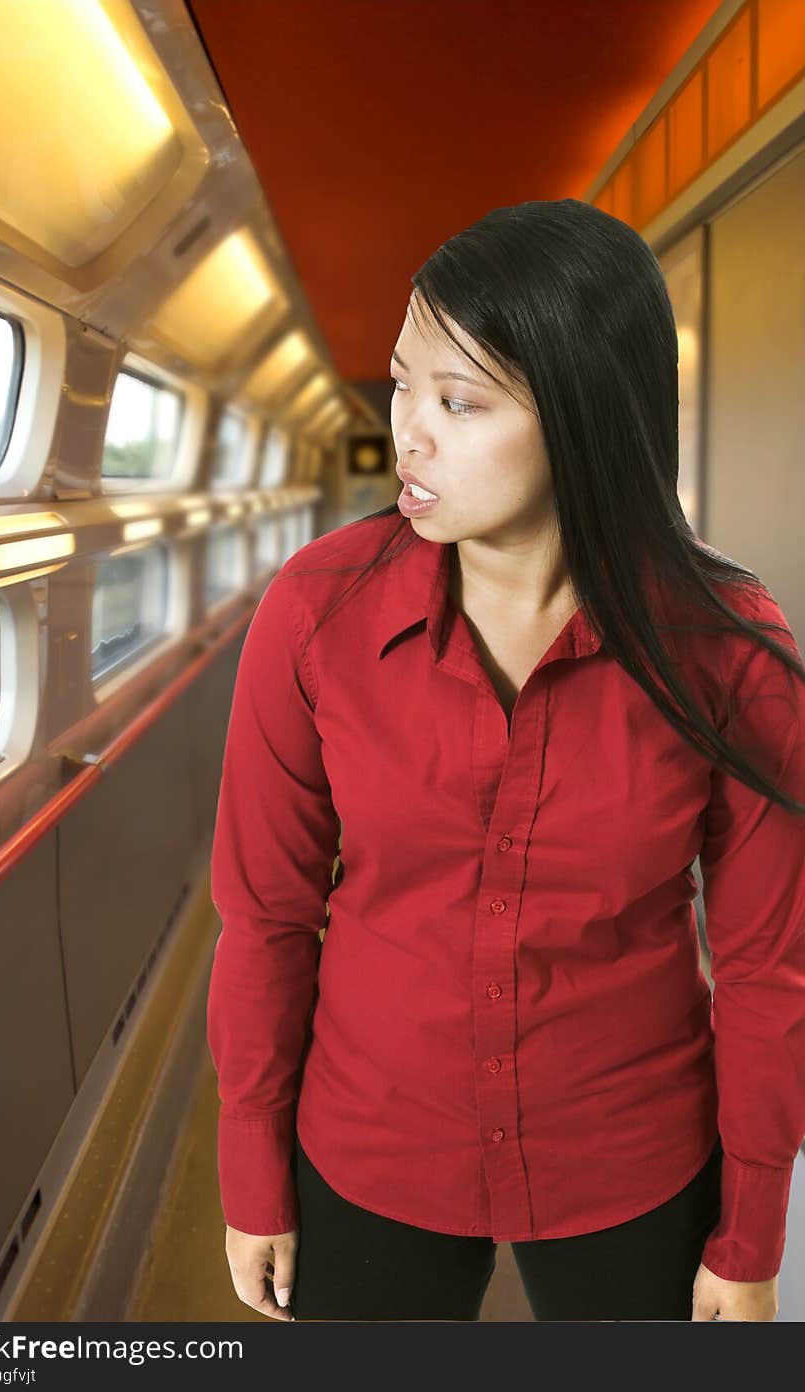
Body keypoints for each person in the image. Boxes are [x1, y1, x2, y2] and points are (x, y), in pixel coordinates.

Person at [206, 199, 805, 1322]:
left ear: (587, 418)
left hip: (627, 1152)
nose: (408, 434)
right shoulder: (315, 613)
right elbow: (266, 917)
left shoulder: (729, 648)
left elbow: (769, 967)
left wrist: (751, 1230)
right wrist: (251, 1171)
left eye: (458, 401)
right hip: (373, 1140)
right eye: (401, 385)